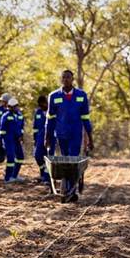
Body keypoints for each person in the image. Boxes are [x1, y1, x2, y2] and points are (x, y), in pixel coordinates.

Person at [46, 70, 94, 201]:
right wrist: (47, 136)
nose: (66, 79)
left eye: (68, 77)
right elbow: (50, 119)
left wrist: (90, 137)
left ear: (72, 79)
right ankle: (67, 189)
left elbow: (85, 118)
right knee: (65, 159)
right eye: (64, 77)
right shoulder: (54, 96)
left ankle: (70, 190)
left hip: (75, 134)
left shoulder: (81, 95)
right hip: (61, 134)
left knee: (73, 160)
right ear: (61, 79)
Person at [0, 98, 25, 183]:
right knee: (11, 158)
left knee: (20, 157)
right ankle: (7, 178)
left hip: (17, 140)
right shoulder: (5, 116)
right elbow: (2, 129)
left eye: (13, 107)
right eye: (10, 107)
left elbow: (21, 127)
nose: (11, 108)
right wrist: (0, 140)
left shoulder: (20, 115)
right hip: (8, 140)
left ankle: (14, 175)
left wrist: (21, 136)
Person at [33, 95, 49, 184]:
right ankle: (43, 173)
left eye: (44, 103)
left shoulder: (52, 111)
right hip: (39, 138)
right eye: (40, 104)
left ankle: (47, 178)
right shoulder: (38, 112)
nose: (42, 105)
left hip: (50, 137)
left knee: (48, 157)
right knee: (38, 156)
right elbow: (35, 127)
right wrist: (35, 139)